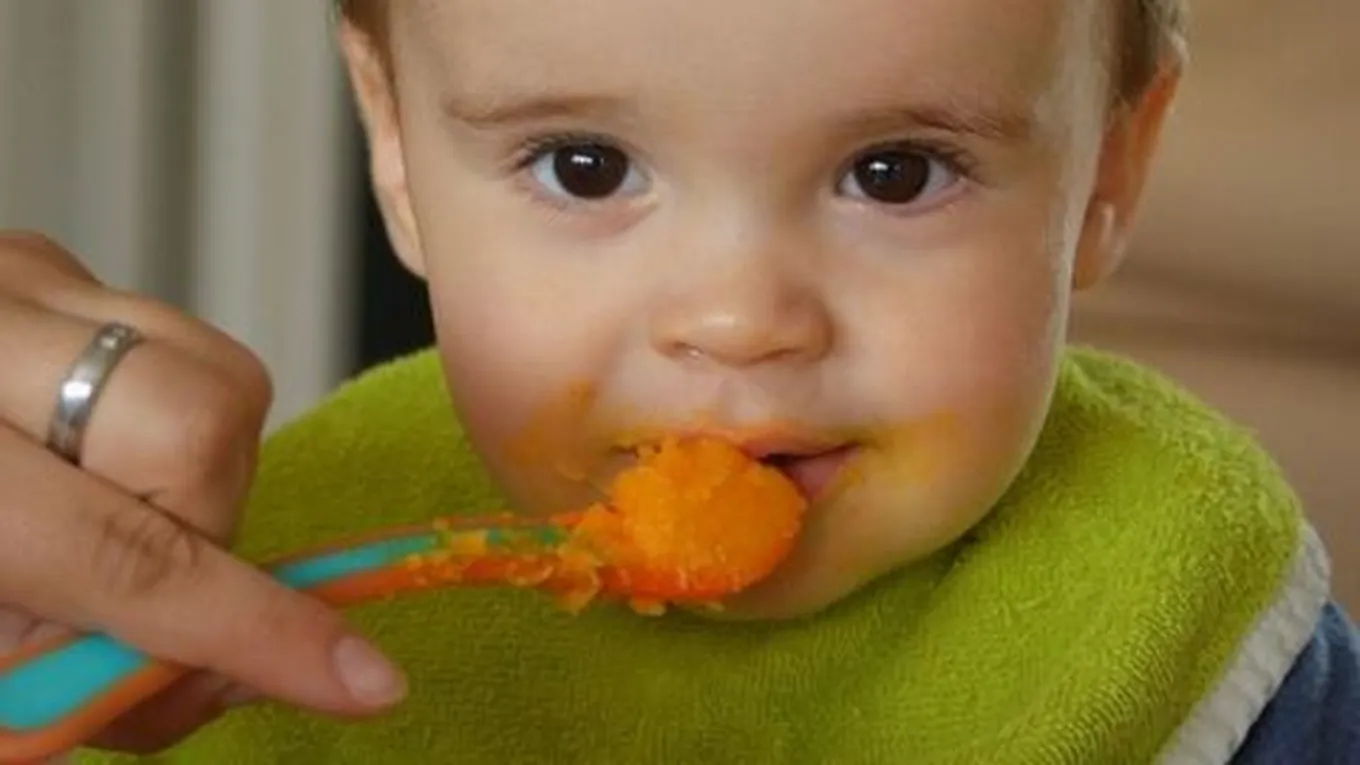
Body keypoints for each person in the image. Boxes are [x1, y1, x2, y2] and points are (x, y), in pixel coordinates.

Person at [0, 0, 1353, 762]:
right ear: (398, 150)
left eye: (895, 173)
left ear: (1109, 171)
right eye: (585, 167)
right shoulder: (232, 569)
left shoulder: (1180, 610)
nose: (739, 322)